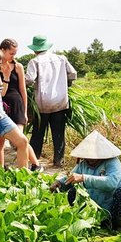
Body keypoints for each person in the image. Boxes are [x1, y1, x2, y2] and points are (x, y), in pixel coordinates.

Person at [50, 130, 121, 230]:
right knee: (73, 192)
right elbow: (71, 177)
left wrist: (84, 178)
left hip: (115, 209)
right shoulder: (83, 164)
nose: (90, 159)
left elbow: (111, 183)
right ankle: (97, 221)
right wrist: (60, 183)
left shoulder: (113, 162)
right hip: (97, 211)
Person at [25, 35, 77, 167]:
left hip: (43, 104)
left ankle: (34, 161)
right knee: (58, 133)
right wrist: (66, 85)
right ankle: (58, 161)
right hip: (60, 102)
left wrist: (23, 87)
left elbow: (29, 79)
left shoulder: (34, 61)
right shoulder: (61, 58)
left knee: (37, 133)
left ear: (35, 49)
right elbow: (73, 74)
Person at [0, 38, 42, 171]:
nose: (13, 56)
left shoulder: (18, 66)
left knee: (20, 139)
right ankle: (0, 168)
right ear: (2, 50)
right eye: (11, 53)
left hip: (16, 106)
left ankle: (35, 164)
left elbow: (23, 90)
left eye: (15, 53)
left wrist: (25, 111)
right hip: (0, 106)